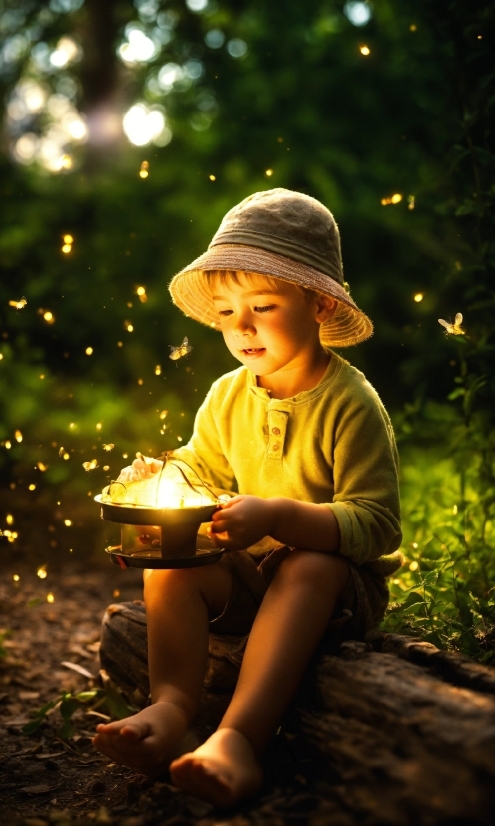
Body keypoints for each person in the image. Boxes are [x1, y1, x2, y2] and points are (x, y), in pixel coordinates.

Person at [93, 188, 402, 807]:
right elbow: (202, 466)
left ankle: (238, 739)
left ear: (318, 304)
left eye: (263, 305)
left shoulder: (350, 402)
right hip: (247, 581)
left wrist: (281, 516)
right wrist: (163, 473)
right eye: (228, 312)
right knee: (172, 565)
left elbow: (378, 524)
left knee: (305, 561)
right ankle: (172, 709)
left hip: (331, 593)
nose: (243, 327)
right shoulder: (227, 395)